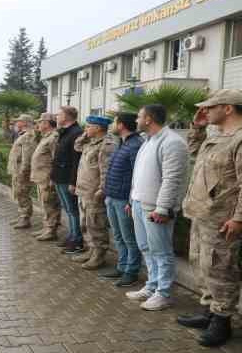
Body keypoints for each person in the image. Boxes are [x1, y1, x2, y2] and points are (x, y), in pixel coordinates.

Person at [177, 90, 242, 347]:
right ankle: (209, 309)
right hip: (203, 213)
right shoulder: (219, 137)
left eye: (210, 107)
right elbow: (195, 154)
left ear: (228, 108)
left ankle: (222, 320)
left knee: (220, 268)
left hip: (222, 218)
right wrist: (197, 127)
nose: (205, 111)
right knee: (202, 265)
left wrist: (240, 218)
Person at [125, 104, 188, 311]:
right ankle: (151, 286)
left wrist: (162, 208)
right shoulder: (148, 141)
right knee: (145, 247)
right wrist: (131, 199)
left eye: (139, 117)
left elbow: (172, 179)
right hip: (139, 203)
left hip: (155, 208)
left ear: (149, 119)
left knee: (161, 251)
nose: (136, 120)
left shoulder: (172, 142)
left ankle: (163, 293)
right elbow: (139, 174)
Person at [100, 112, 144, 287]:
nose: (112, 125)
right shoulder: (122, 143)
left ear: (121, 125)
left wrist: (130, 201)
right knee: (118, 235)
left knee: (129, 237)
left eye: (115, 122)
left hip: (123, 199)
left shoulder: (135, 145)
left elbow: (136, 176)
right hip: (112, 196)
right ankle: (122, 266)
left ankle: (131, 271)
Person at [71, 115, 115, 270]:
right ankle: (91, 250)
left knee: (96, 224)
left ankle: (99, 255)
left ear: (97, 128)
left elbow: (106, 171)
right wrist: (86, 134)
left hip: (94, 192)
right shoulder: (90, 142)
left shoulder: (106, 145)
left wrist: (102, 189)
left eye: (88, 126)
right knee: (85, 223)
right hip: (83, 190)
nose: (85, 129)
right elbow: (76, 146)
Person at [51, 106, 84, 253]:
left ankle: (77, 239)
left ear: (67, 116)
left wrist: (73, 182)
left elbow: (76, 161)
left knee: (72, 210)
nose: (56, 117)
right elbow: (58, 157)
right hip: (60, 177)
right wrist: (53, 176)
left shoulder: (76, 133)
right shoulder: (65, 132)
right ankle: (71, 235)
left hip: (67, 179)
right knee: (68, 209)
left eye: (59, 114)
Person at [30, 113, 60, 241]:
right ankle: (46, 227)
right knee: (45, 203)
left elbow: (56, 159)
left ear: (47, 123)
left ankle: (51, 230)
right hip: (41, 177)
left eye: (40, 122)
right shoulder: (46, 137)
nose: (38, 125)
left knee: (50, 204)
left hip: (47, 178)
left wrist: (53, 178)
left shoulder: (54, 137)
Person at [7, 114, 39, 229]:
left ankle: (25, 218)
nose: (16, 123)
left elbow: (27, 156)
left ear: (25, 123)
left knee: (22, 193)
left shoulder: (28, 136)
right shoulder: (23, 135)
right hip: (18, 170)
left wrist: (23, 171)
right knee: (19, 193)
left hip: (22, 171)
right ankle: (22, 215)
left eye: (18, 121)